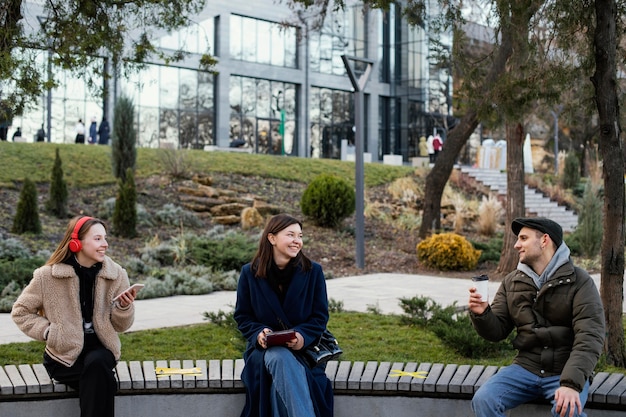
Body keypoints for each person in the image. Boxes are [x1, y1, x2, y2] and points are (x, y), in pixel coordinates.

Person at [468, 217, 605, 417]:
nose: (516, 245)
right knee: (484, 400)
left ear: (544, 240)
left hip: (565, 370)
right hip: (525, 368)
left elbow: (590, 338)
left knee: (568, 411)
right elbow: (497, 331)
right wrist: (482, 313)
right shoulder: (512, 282)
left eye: (523, 238)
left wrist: (570, 384)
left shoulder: (580, 281)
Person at [11, 216, 138, 417]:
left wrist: (123, 307)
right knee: (102, 380)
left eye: (105, 238)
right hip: (63, 359)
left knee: (97, 365)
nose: (105, 244)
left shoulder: (116, 275)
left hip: (101, 351)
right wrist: (49, 332)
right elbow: (20, 312)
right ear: (76, 242)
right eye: (97, 239)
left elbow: (122, 326)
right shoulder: (47, 276)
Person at [234, 214, 334, 417]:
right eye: (291, 235)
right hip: (262, 352)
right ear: (272, 238)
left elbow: (319, 317)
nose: (297, 241)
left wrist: (301, 337)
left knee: (279, 369)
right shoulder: (249, 273)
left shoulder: (313, 272)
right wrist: (259, 333)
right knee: (277, 356)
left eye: (300, 235)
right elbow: (243, 316)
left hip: (303, 352)